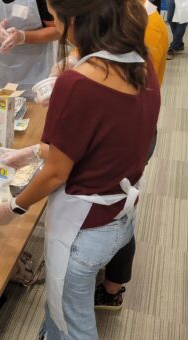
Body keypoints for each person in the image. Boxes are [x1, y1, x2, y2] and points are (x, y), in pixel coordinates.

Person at [0, 0, 160, 338]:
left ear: (71, 21)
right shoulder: (140, 61)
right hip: (122, 214)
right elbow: (101, 139)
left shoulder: (78, 83)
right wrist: (32, 152)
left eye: (55, 18)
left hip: (84, 230)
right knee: (59, 313)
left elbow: (56, 173)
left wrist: (12, 208)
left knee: (72, 325)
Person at [94, 0, 169, 311]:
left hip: (131, 130)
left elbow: (121, 87)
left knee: (120, 207)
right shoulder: (143, 18)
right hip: (137, 125)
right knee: (121, 203)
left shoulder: (142, 27)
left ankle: (112, 287)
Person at [0, 0, 59, 99]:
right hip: (2, 72)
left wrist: (24, 36)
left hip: (38, 70)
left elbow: (57, 29)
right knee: (2, 108)